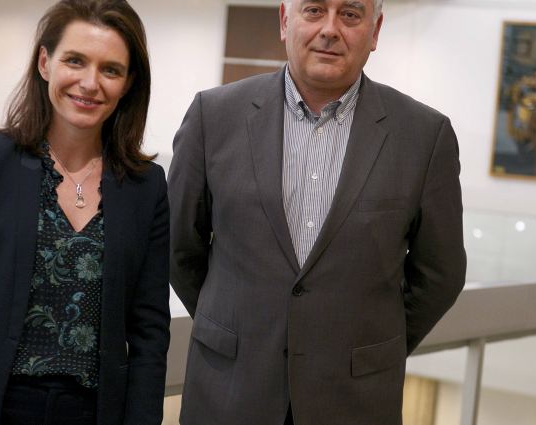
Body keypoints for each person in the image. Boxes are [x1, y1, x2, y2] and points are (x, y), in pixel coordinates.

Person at [168, 0, 466, 423]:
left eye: (350, 14)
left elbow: (439, 275)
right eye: (313, 10)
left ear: (375, 31)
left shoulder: (424, 136)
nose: (330, 29)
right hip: (229, 391)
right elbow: (179, 247)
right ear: (284, 21)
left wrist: (369, 343)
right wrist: (235, 326)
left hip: (355, 399)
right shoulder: (213, 116)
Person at [0, 1, 169, 424]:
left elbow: (150, 334)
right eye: (75, 61)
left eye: (110, 69)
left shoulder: (147, 187)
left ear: (128, 84)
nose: (90, 83)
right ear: (45, 62)